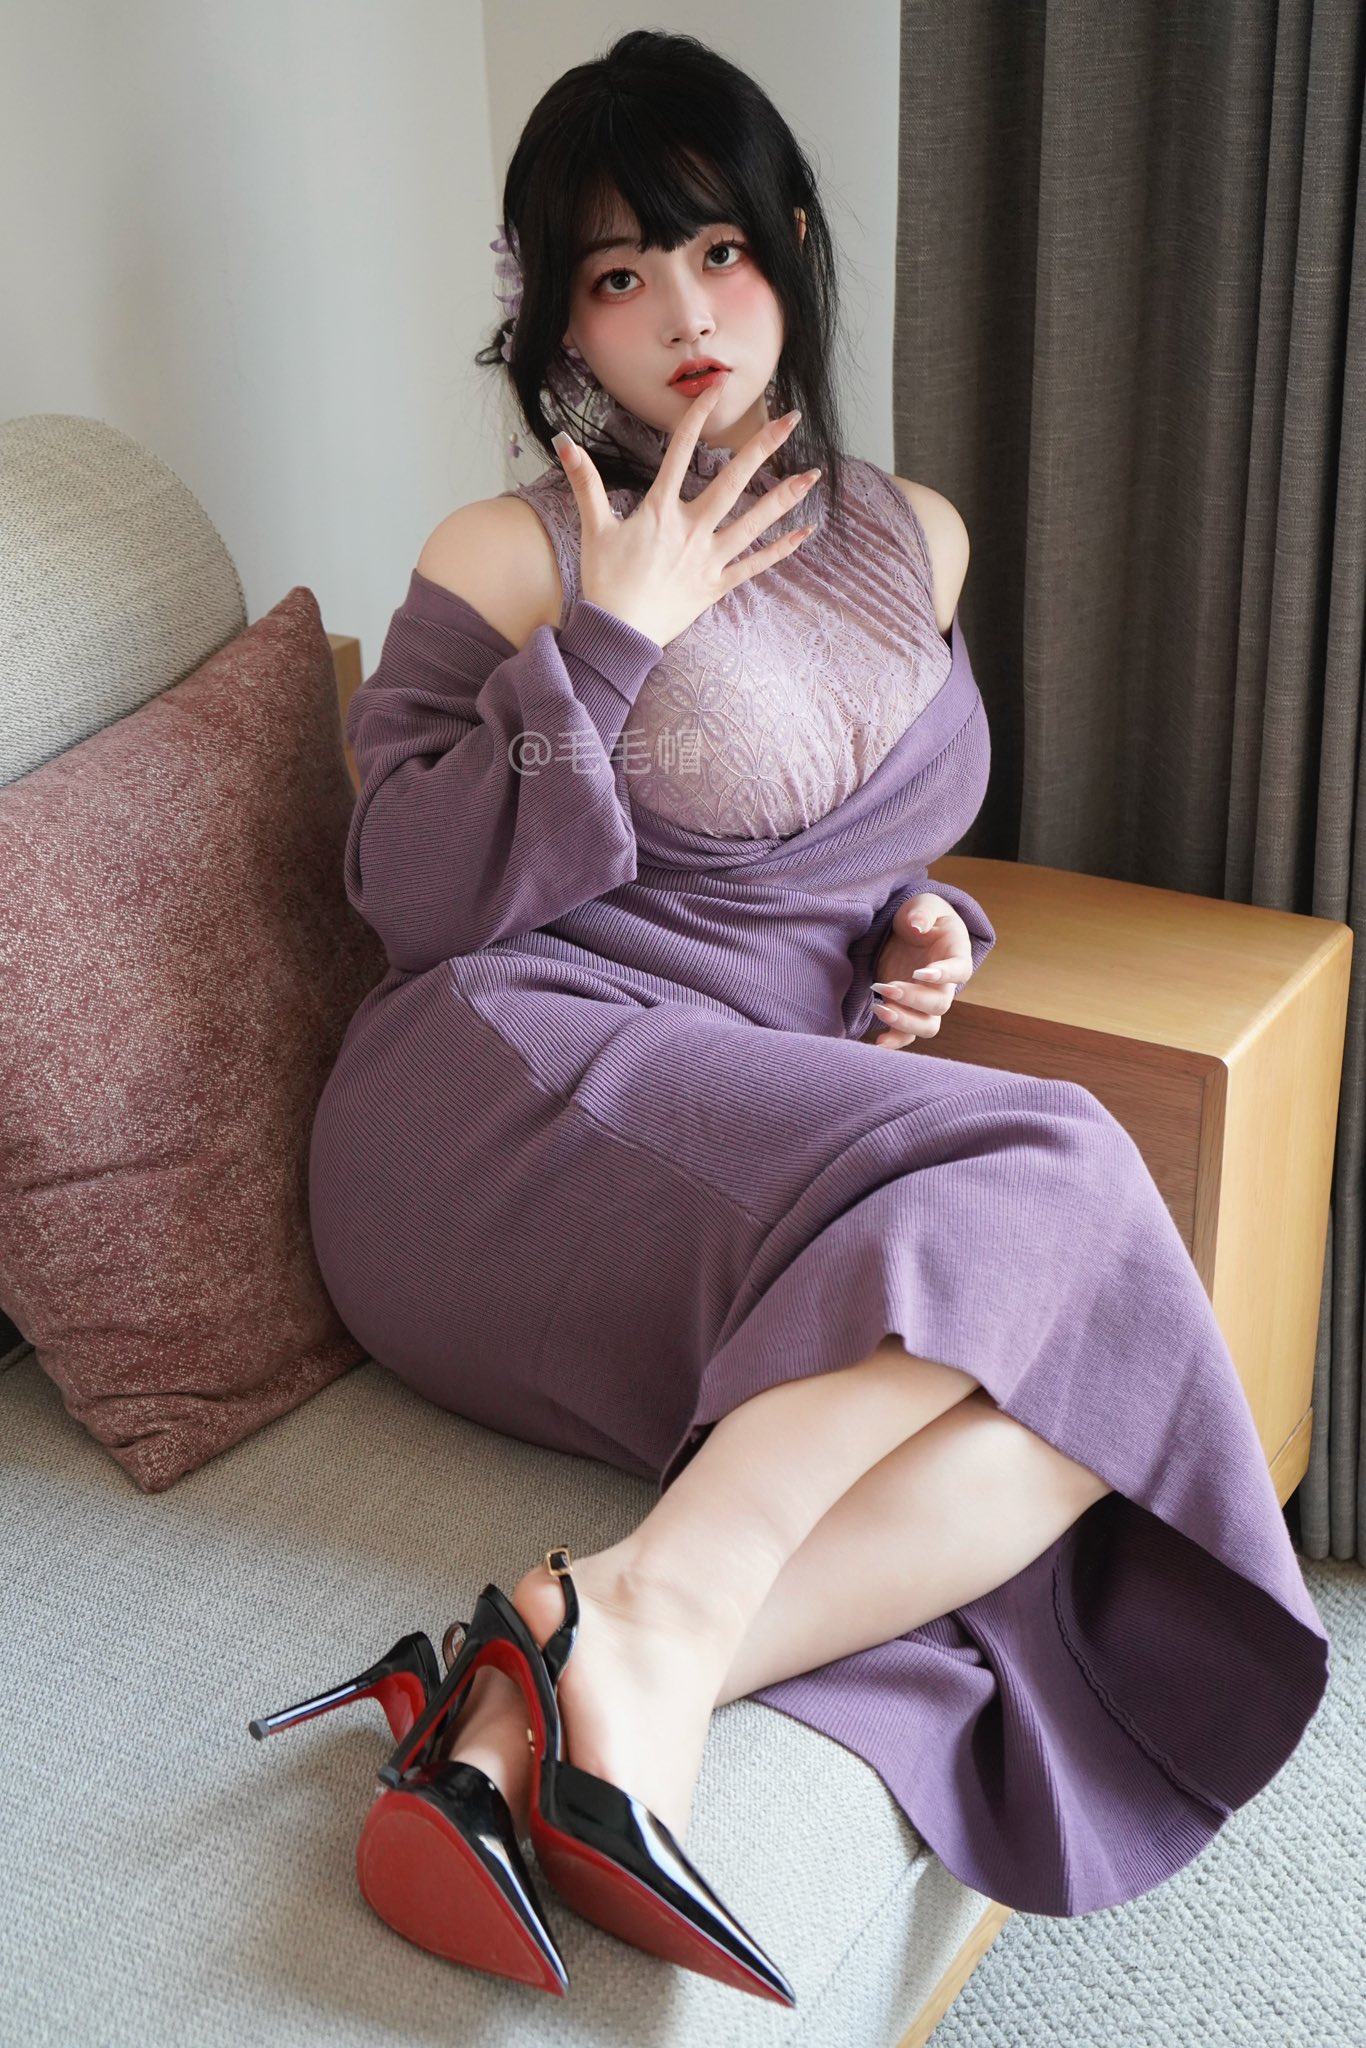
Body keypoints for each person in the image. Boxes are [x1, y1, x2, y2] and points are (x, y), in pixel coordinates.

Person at [305, 25, 1329, 1999]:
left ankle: (548, 1688)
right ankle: (619, 1640)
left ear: (789, 241)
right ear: (559, 327)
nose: (683, 314)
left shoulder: (908, 532)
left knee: (1093, 1386)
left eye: (714, 250)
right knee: (1067, 1162)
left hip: (722, 1111)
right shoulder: (511, 553)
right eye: (618, 276)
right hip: (490, 1096)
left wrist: (920, 928)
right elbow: (404, 895)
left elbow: (856, 844)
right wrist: (612, 637)